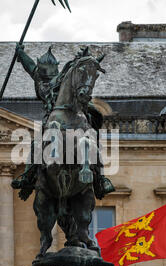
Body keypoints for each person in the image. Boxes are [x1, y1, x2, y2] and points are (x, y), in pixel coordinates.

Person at [11, 45, 114, 200]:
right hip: (51, 120)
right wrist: (21, 54)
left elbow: (76, 70)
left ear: (55, 69)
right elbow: (30, 66)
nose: (46, 73)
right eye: (44, 69)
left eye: (49, 69)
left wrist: (83, 58)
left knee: (91, 139)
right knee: (37, 144)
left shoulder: (60, 79)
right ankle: (28, 175)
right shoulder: (40, 79)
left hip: (72, 116)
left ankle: (100, 179)